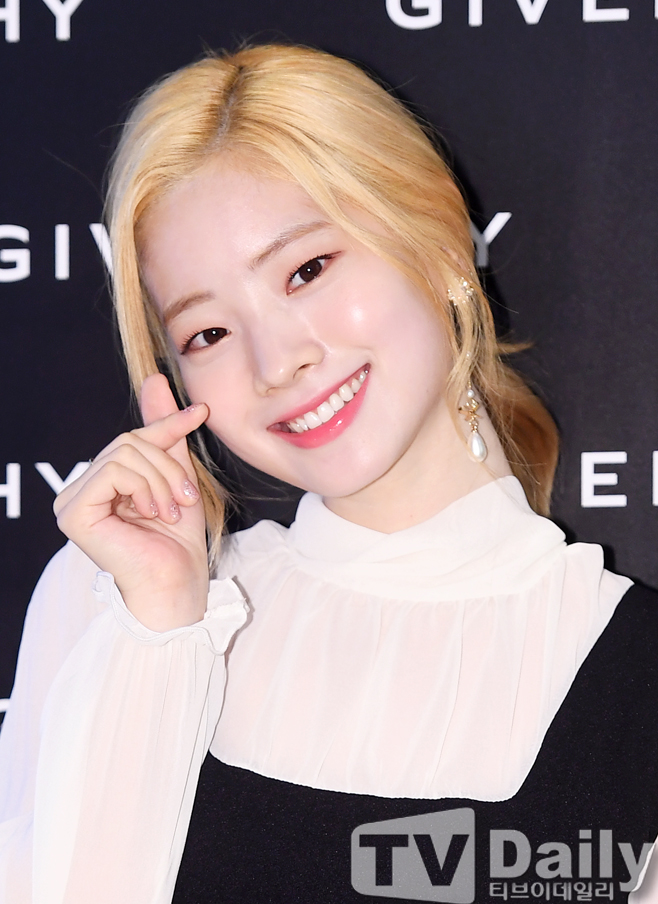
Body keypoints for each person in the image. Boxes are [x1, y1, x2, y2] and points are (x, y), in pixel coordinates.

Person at [0, 42, 656, 904]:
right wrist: (157, 633)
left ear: (440, 246)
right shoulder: (108, 610)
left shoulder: (638, 686)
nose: (276, 362)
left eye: (306, 271)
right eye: (207, 333)